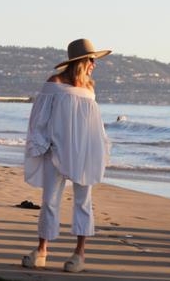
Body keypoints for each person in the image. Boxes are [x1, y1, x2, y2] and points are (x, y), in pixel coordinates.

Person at [22, 39, 111, 272]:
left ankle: (79, 254)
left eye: (94, 60)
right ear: (80, 61)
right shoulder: (54, 83)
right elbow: (39, 118)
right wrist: (39, 145)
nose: (94, 64)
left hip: (84, 153)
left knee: (83, 202)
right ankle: (42, 250)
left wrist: (100, 148)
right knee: (49, 201)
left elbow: (94, 125)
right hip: (55, 150)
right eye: (91, 59)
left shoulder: (90, 88)